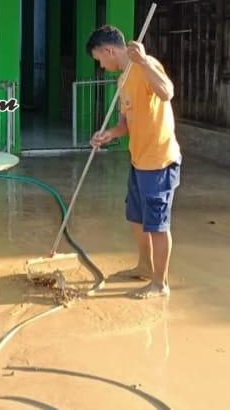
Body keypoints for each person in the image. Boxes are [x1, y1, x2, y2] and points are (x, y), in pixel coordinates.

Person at [87, 25, 181, 300]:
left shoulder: (146, 66)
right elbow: (125, 124)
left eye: (100, 60)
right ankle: (144, 266)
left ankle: (160, 284)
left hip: (159, 159)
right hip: (139, 158)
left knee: (158, 225)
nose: (102, 66)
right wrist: (109, 134)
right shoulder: (123, 81)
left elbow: (167, 93)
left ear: (109, 50)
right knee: (137, 218)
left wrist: (142, 62)